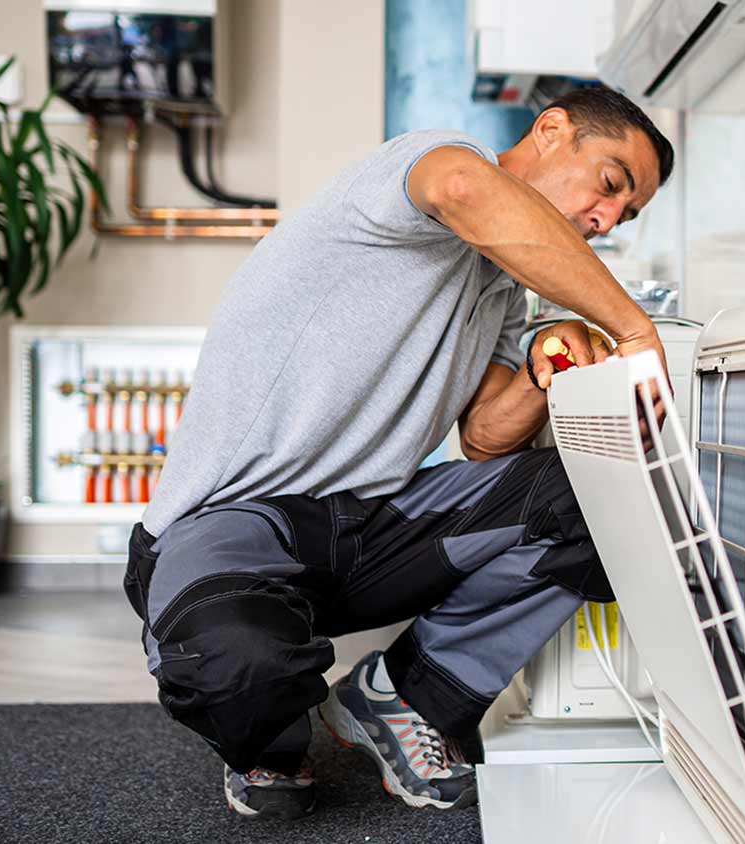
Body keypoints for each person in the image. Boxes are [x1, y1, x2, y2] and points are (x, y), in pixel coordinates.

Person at [122, 85, 674, 819]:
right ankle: (272, 741)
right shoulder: (430, 164)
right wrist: (632, 330)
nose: (606, 219)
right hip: (230, 531)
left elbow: (483, 438)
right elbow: (461, 189)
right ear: (550, 131)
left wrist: (547, 360)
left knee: (597, 496)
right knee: (242, 670)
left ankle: (405, 696)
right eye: (610, 184)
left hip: (366, 527)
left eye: (625, 215)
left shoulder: (504, 291)